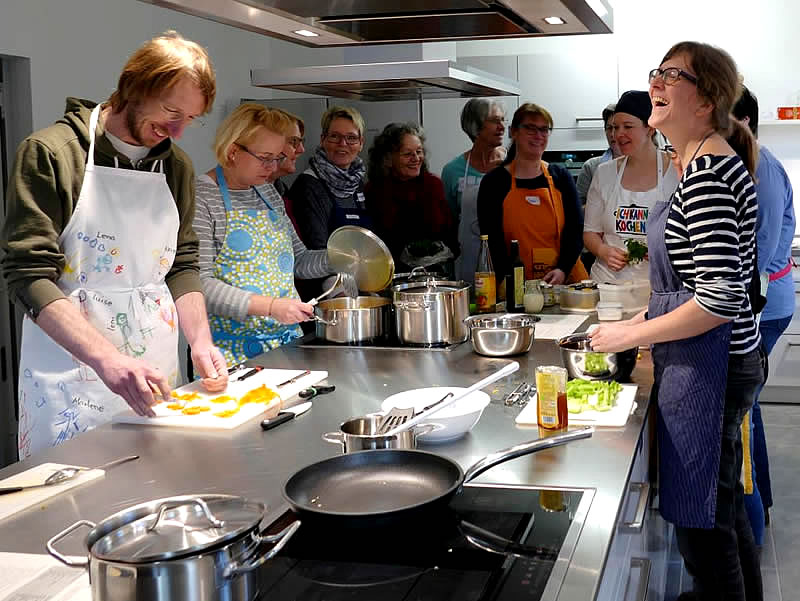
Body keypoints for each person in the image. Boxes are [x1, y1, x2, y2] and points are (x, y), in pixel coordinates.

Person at [590, 42, 765, 601]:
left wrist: (630, 333)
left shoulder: (708, 173)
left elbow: (719, 299)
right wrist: (644, 316)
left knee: (703, 528)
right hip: (719, 359)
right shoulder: (710, 163)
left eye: (672, 75)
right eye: (656, 73)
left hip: (713, 365)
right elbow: (696, 285)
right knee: (721, 511)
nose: (657, 84)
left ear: (706, 100)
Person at [0, 31, 227, 458]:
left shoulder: (175, 166)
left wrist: (200, 341)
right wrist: (108, 359)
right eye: (171, 111)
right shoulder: (53, 153)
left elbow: (181, 263)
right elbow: (28, 276)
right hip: (72, 374)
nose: (178, 130)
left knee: (156, 477)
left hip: (155, 363)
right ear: (133, 87)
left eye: (191, 119)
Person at [194, 104, 335, 367]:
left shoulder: (267, 192)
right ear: (233, 151)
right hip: (230, 353)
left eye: (277, 158)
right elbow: (200, 285)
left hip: (286, 343)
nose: (272, 167)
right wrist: (270, 307)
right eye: (265, 158)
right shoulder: (203, 197)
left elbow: (299, 261)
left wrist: (342, 258)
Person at [732, 86, 796, 545]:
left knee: (744, 410)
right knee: (748, 409)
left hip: (765, 308)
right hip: (757, 303)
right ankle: (761, 503)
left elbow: (760, 253)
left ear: (744, 122)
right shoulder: (743, 165)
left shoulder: (764, 170)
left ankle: (751, 522)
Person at [477, 103, 588, 285]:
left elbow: (575, 229)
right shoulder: (494, 183)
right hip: (515, 284)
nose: (538, 136)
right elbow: (491, 241)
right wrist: (512, 283)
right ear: (513, 132)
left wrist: (562, 269)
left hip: (564, 281)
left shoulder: (560, 177)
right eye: (530, 128)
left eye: (544, 130)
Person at [583, 91, 679, 284]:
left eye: (627, 126)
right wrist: (603, 251)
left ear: (650, 128)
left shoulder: (676, 171)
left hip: (658, 285)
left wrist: (665, 250)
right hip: (608, 284)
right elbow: (590, 232)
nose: (618, 134)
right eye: (614, 127)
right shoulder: (604, 173)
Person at [365, 123, 457, 273]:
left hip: (432, 274)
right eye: (407, 154)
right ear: (388, 159)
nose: (416, 158)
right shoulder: (374, 191)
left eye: (419, 151)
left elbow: (449, 232)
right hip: (390, 274)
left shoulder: (433, 185)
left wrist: (443, 251)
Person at [441, 99, 507, 283]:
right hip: (469, 260)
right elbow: (450, 221)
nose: (502, 127)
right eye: (494, 121)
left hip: (508, 256)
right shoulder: (452, 171)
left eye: (503, 120)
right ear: (475, 127)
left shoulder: (512, 165)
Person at [269, 109, 305, 235]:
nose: (301, 150)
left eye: (300, 142)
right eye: (294, 141)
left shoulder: (281, 190)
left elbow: (296, 244)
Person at [576, 103, 621, 206]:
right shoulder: (591, 167)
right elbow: (577, 209)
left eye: (617, 128)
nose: (613, 134)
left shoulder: (641, 165)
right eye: (609, 128)